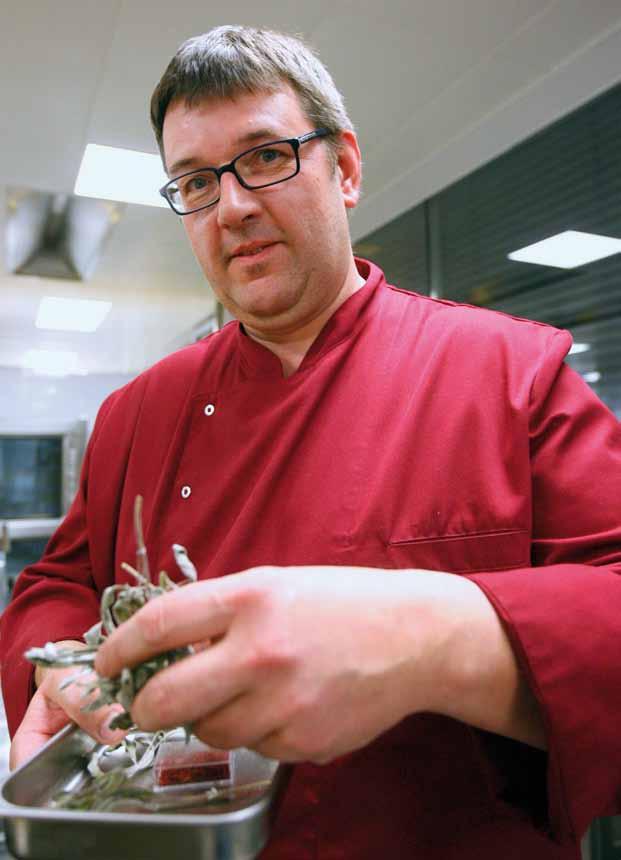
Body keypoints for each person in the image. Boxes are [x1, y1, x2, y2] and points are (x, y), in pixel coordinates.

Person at [2, 25, 621, 860]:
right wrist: (60, 668)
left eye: (264, 157)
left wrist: (432, 638)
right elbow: (57, 582)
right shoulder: (136, 413)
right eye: (195, 181)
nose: (232, 207)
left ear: (347, 168)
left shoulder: (511, 373)